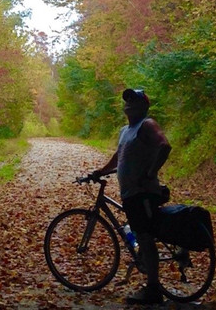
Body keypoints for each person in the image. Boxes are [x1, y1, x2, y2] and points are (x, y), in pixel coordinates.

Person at [89, 88, 172, 305]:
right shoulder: (126, 130)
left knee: (145, 237)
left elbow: (164, 146)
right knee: (141, 234)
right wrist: (100, 171)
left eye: (134, 100)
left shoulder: (147, 125)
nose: (129, 103)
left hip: (143, 193)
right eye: (127, 100)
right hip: (131, 194)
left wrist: (151, 173)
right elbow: (119, 156)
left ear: (143, 106)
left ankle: (153, 289)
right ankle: (148, 275)